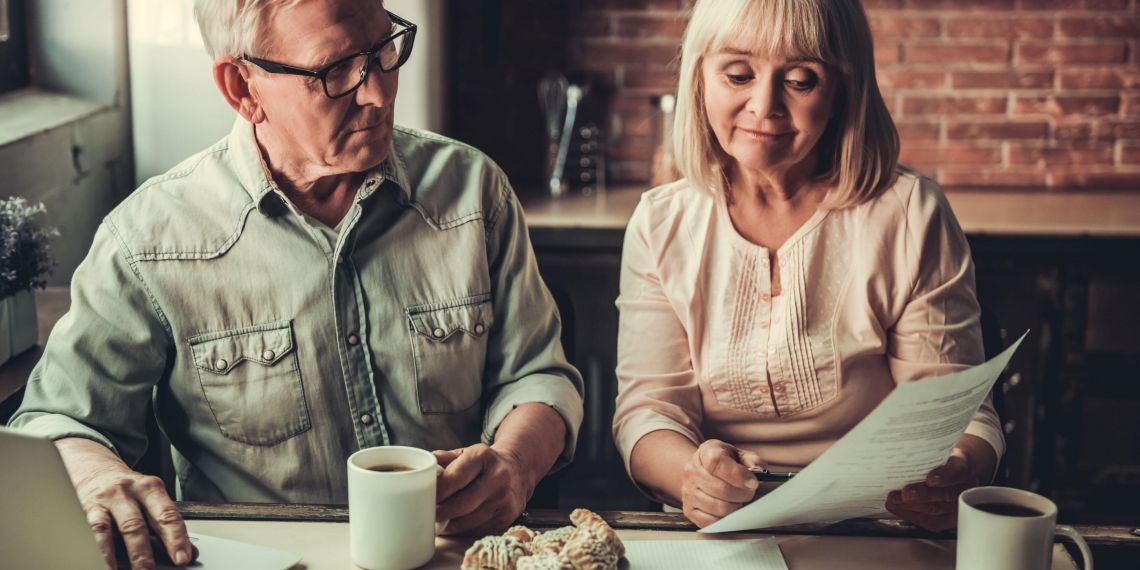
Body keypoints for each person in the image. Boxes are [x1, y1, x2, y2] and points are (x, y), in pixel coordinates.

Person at [8, 1, 583, 568]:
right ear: (242, 88)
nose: (379, 93)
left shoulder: (473, 192)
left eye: (385, 50)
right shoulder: (147, 240)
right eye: (335, 71)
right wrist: (94, 474)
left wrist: (515, 464)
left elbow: (538, 375)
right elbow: (60, 420)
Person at [612, 0, 1003, 533]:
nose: (764, 105)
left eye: (800, 80)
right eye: (738, 75)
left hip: (877, 527)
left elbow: (956, 414)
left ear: (844, 90)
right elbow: (648, 413)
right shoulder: (661, 223)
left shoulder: (910, 214)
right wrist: (691, 478)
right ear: (700, 77)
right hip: (716, 528)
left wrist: (956, 470)